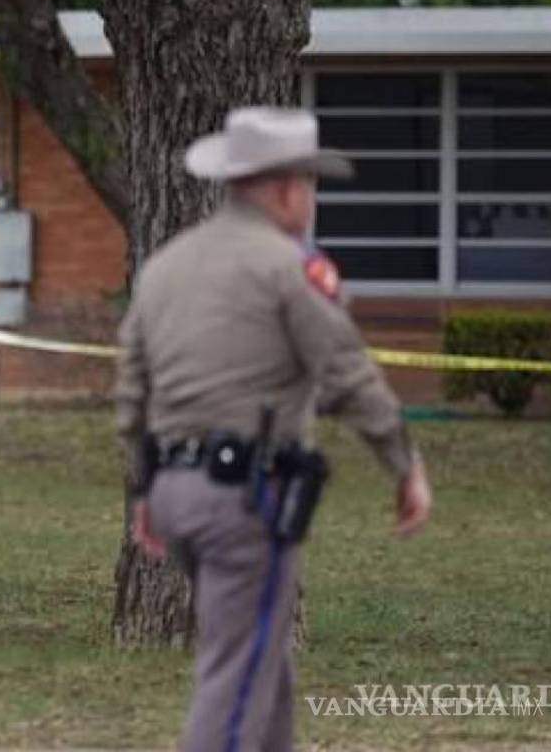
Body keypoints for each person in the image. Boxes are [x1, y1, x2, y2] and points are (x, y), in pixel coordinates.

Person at [114, 106, 432, 752]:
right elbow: (347, 375)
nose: (311, 198)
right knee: (234, 682)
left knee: (262, 663)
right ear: (287, 186)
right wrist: (406, 465)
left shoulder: (166, 266)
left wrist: (146, 488)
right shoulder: (289, 267)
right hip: (244, 498)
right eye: (310, 183)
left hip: (175, 490)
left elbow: (131, 392)